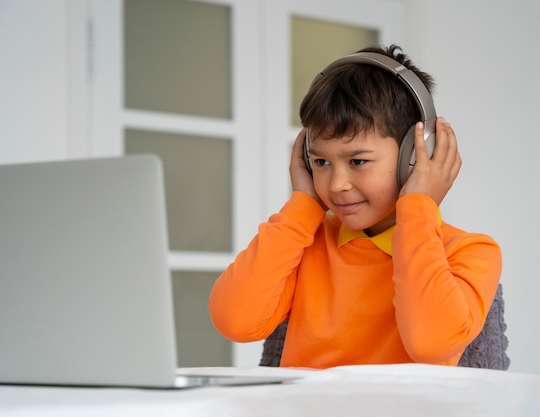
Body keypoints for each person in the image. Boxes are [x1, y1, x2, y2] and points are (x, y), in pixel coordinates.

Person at [207, 45, 502, 368]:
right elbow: (234, 320)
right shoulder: (305, 244)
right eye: (320, 161)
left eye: (358, 161)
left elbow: (430, 344)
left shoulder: (470, 251)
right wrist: (303, 206)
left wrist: (419, 207)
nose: (335, 185)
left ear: (416, 157)